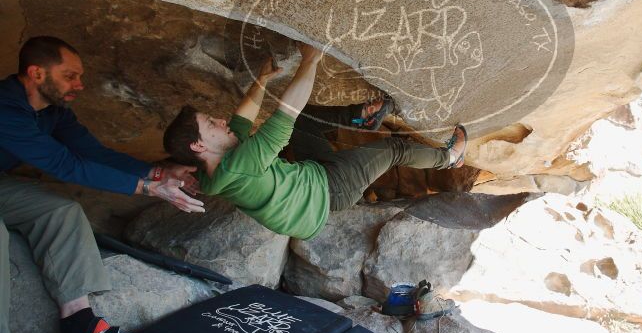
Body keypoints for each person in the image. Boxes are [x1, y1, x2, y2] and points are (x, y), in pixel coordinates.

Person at [0, 36, 205, 333]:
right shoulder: (5, 106)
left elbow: (91, 152)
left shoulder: (54, 112)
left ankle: (79, 324)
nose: (79, 84)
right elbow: (64, 165)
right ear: (36, 73)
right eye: (70, 76)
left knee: (61, 210)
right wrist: (146, 189)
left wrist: (158, 174)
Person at [163, 42, 467, 240]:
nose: (221, 121)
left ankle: (361, 117)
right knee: (393, 148)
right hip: (332, 189)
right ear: (198, 146)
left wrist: (263, 80)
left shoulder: (210, 168)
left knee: (306, 122)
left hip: (311, 177)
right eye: (210, 124)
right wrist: (311, 60)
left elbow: (242, 118)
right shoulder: (240, 165)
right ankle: (450, 158)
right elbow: (286, 113)